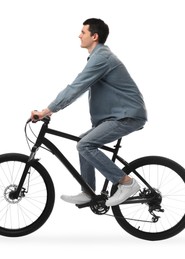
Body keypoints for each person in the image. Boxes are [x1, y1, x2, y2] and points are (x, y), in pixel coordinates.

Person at [30, 18, 147, 206]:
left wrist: (47, 110)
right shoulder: (98, 57)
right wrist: (52, 109)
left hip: (127, 115)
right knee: (82, 142)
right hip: (118, 115)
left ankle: (127, 182)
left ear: (94, 36)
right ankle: (88, 191)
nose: (79, 35)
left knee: (85, 145)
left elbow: (76, 87)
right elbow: (80, 89)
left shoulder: (102, 58)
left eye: (83, 32)